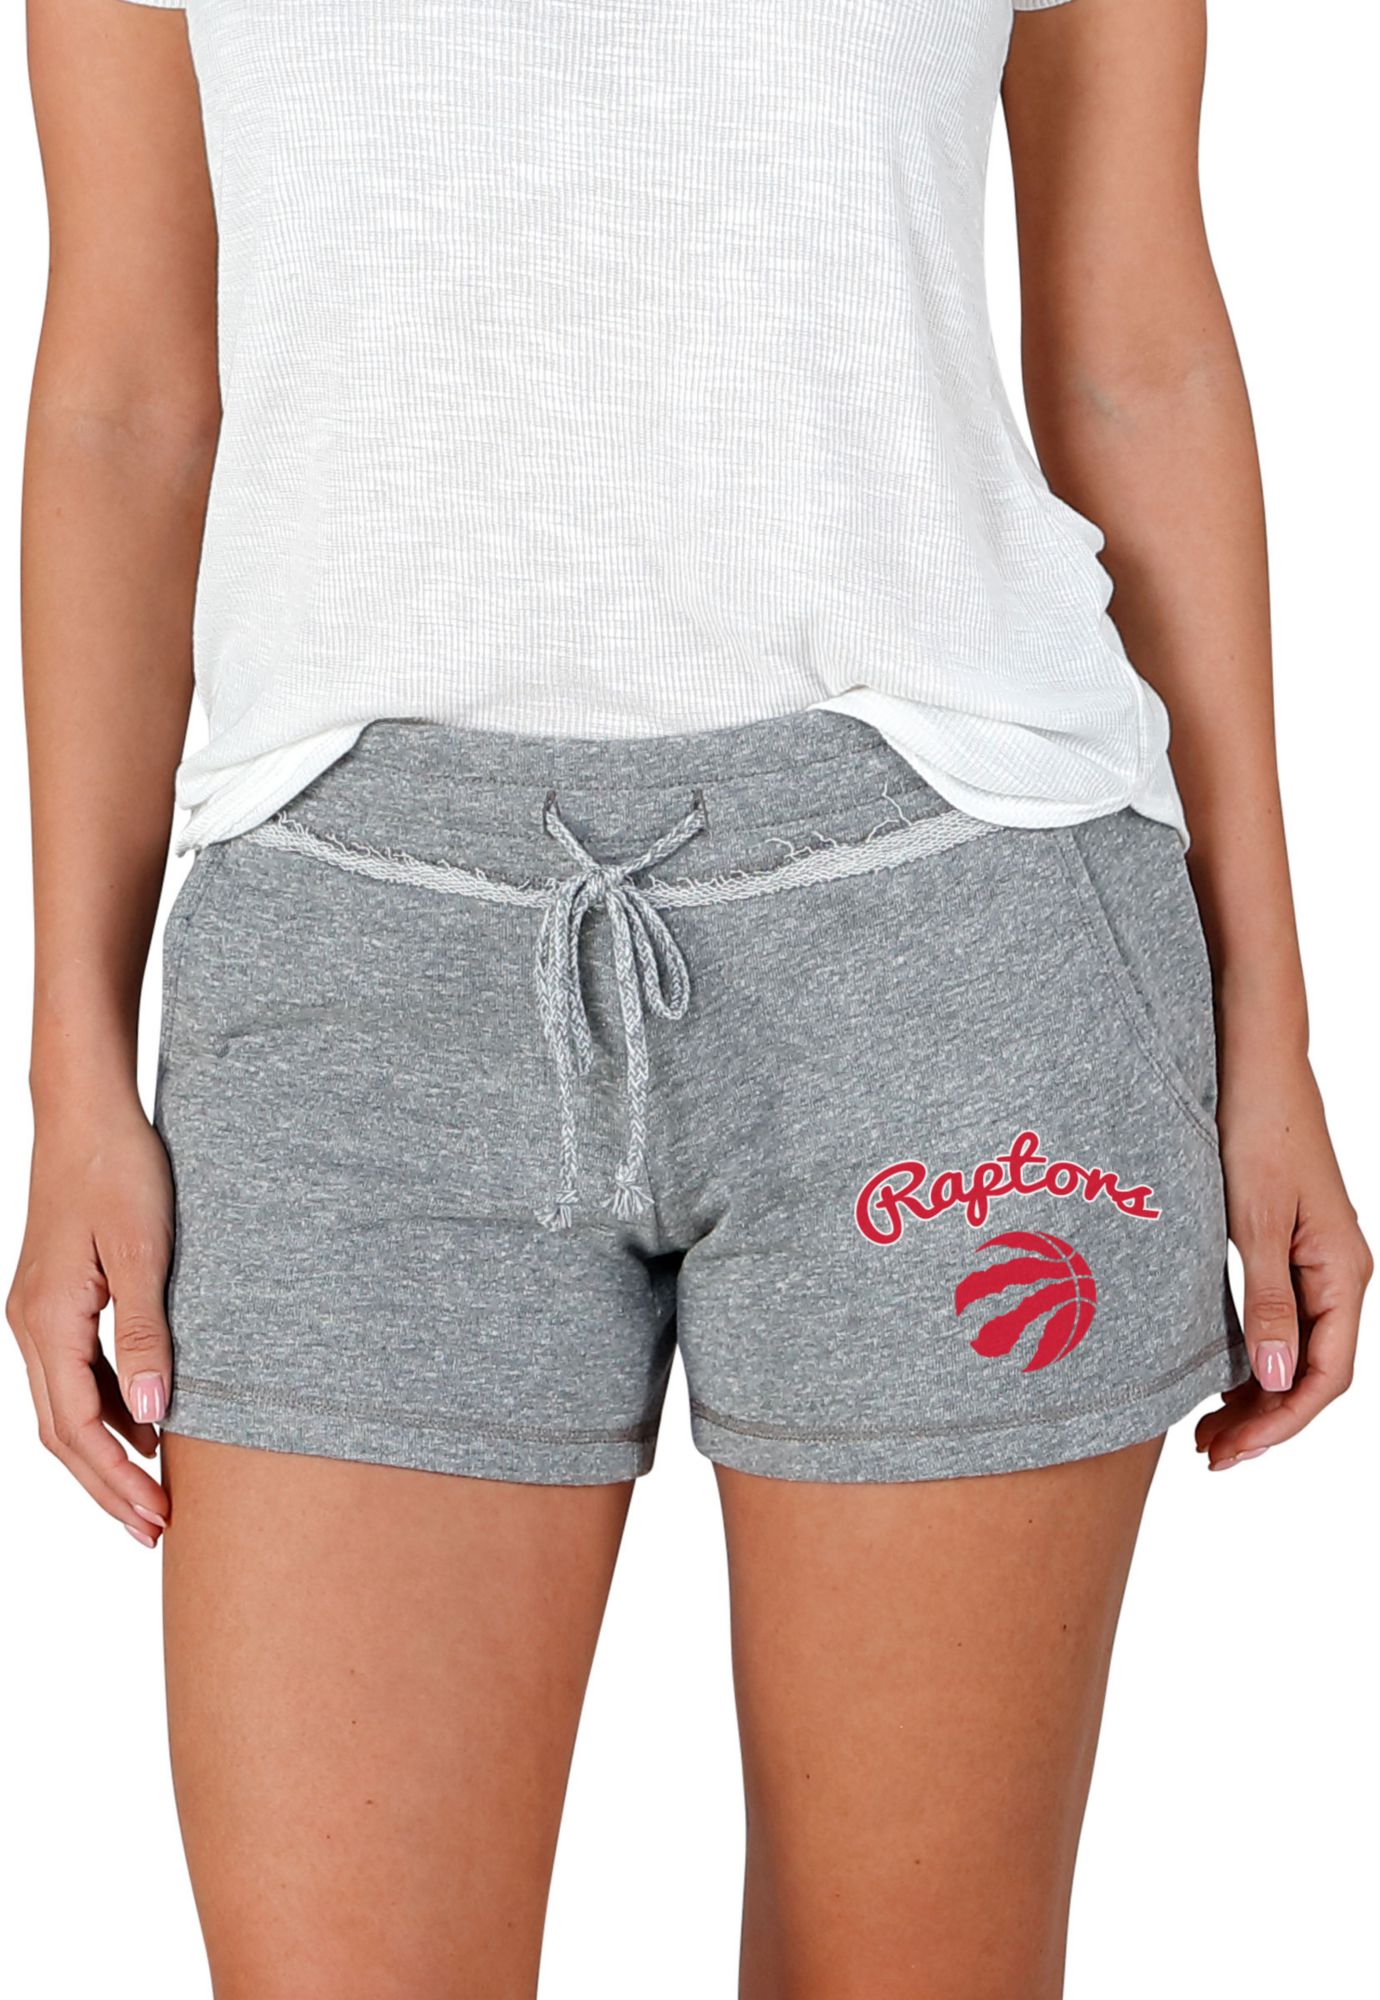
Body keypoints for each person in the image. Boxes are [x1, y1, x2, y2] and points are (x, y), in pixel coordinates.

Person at [8, 1, 1368, 1993]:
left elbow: (1133, 358)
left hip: (945, 944)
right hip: (348, 978)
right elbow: (125, 399)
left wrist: (1275, 1038)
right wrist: (71, 1071)